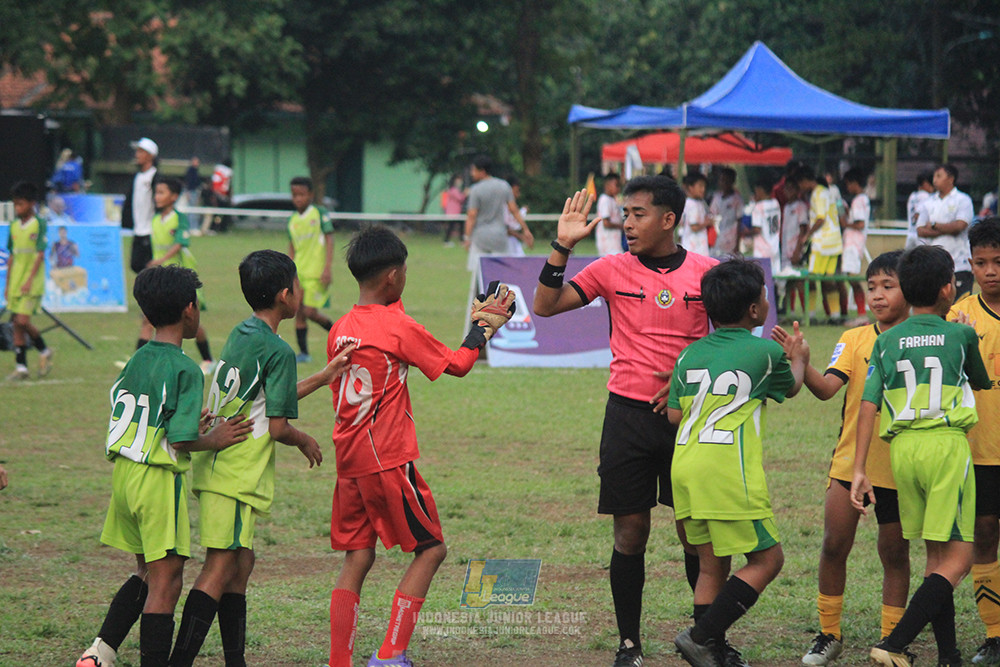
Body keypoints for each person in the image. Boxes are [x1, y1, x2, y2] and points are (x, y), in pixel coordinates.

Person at [533, 178, 717, 667]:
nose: (626, 223)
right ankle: (629, 644)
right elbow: (544, 307)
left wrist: (689, 382)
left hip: (689, 420)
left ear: (669, 219)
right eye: (624, 213)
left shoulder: (708, 273)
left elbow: (739, 335)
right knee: (630, 533)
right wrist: (562, 246)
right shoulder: (610, 269)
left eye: (637, 214)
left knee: (693, 534)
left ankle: (707, 638)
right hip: (627, 418)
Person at [325, 225, 514, 667]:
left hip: (349, 460)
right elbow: (459, 365)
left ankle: (339, 661)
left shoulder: (341, 327)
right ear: (393, 276)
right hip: (387, 460)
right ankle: (390, 655)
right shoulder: (399, 327)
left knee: (358, 556)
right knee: (431, 549)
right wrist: (482, 327)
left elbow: (386, 329)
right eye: (404, 271)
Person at [166, 250, 355, 667]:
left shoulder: (243, 333)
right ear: (286, 296)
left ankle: (236, 660)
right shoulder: (279, 351)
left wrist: (323, 377)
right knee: (219, 568)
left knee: (242, 561)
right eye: (298, 287)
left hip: (219, 466)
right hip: (235, 470)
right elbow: (277, 426)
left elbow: (267, 399)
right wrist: (303, 439)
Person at [75, 265, 253, 667]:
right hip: (157, 481)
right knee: (167, 581)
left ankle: (99, 653)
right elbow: (180, 439)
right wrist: (214, 439)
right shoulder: (186, 367)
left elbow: (150, 414)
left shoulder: (137, 359)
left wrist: (189, 424)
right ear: (190, 310)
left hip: (124, 476)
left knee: (145, 569)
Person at [852, 245, 992, 667]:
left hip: (903, 451)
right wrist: (966, 331)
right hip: (945, 446)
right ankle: (894, 642)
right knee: (961, 557)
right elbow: (981, 382)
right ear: (949, 288)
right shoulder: (962, 332)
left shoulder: (886, 339)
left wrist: (859, 468)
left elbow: (868, 403)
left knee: (936, 557)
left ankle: (948, 655)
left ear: (906, 291)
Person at [669, 257, 808, 667]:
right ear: (754, 310)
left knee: (712, 565)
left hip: (686, 465)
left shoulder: (689, 354)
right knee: (769, 560)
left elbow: (676, 415)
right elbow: (793, 386)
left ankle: (710, 652)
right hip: (727, 470)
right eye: (764, 296)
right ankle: (699, 637)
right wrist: (797, 356)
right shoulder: (765, 351)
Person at [777, 251, 911, 666]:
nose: (877, 295)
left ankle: (892, 639)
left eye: (888, 286)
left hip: (899, 465)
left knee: (894, 553)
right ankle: (828, 635)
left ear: (911, 289)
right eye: (871, 287)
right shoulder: (854, 339)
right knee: (834, 545)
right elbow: (826, 389)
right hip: (849, 462)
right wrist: (802, 360)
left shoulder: (924, 338)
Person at [948, 217, 1000, 665]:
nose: (991, 271)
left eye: (999, 262)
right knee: (985, 533)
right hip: (980, 450)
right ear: (970, 264)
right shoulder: (959, 316)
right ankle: (994, 633)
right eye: (981, 263)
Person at [137, 176, 216, 374]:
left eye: (161, 192)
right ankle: (139, 362)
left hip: (181, 279)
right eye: (156, 192)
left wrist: (160, 261)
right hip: (162, 280)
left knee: (189, 322)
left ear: (173, 197)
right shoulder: (155, 220)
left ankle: (208, 358)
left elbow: (180, 243)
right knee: (148, 319)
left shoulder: (179, 218)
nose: (157, 196)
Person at [4, 181, 53, 381]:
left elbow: (40, 254)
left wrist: (29, 280)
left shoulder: (39, 224)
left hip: (31, 283)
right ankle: (21, 366)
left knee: (22, 321)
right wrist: (7, 285)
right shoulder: (14, 225)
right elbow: (12, 256)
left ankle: (43, 349)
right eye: (15, 204)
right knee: (17, 324)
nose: (18, 208)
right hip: (15, 282)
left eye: (21, 204)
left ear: (32, 203)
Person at [287, 175, 335, 363]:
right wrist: (288, 271)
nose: (298, 198)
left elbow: (330, 239)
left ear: (311, 195)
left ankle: (336, 332)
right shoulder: (292, 220)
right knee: (298, 312)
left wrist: (327, 268)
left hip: (316, 273)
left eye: (302, 194)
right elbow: (291, 246)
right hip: (299, 273)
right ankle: (304, 353)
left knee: (310, 312)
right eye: (294, 195)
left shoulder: (319, 213)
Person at [916, 163, 976, 301]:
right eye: (934, 176)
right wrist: (946, 228)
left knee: (959, 306)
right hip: (934, 264)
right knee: (936, 307)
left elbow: (960, 226)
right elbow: (920, 230)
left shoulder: (963, 200)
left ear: (951, 178)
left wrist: (933, 225)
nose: (934, 180)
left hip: (959, 263)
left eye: (939, 176)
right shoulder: (928, 202)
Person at [464, 154, 532, 270]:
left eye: (474, 170)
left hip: (480, 235)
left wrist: (467, 237)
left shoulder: (475, 189)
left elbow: (472, 215)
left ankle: (479, 289)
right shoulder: (504, 186)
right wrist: (525, 229)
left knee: (478, 271)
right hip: (499, 235)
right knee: (500, 270)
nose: (472, 173)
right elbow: (514, 210)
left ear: (482, 171)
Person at [796, 167, 846, 322]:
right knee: (829, 279)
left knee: (811, 278)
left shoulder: (818, 193)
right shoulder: (829, 191)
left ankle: (810, 316)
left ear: (805, 181)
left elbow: (820, 218)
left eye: (800, 184)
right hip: (835, 241)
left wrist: (807, 235)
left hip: (822, 243)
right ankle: (835, 316)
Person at [125, 138, 158, 276]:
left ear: (150, 155)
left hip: (150, 230)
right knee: (136, 265)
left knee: (150, 268)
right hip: (138, 229)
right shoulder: (137, 177)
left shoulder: (155, 176)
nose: (137, 155)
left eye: (141, 151)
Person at [842, 168, 871, 324]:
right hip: (856, 243)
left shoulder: (858, 200)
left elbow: (859, 223)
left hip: (853, 244)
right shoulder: (863, 199)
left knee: (853, 278)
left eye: (848, 184)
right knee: (851, 278)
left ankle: (862, 314)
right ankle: (860, 313)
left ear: (854, 183)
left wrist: (845, 223)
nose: (847, 188)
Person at [781, 178, 809, 314]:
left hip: (796, 250)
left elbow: (803, 228)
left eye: (791, 188)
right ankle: (789, 311)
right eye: (786, 188)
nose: (788, 191)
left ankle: (807, 313)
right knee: (788, 282)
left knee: (799, 282)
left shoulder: (801, 206)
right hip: (786, 250)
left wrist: (798, 250)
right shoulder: (786, 207)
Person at [748, 176, 782, 272]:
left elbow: (757, 229)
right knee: (775, 276)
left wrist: (746, 233)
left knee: (762, 277)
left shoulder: (758, 207)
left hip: (762, 251)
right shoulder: (776, 203)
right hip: (774, 247)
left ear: (760, 190)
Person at [708, 167, 743, 258]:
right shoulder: (717, 197)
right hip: (717, 238)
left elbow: (739, 222)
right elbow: (711, 216)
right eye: (722, 180)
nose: (724, 183)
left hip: (730, 239)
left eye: (727, 180)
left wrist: (737, 244)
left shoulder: (737, 199)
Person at [680, 172, 711, 257]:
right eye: (700, 186)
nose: (703, 189)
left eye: (704, 186)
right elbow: (694, 227)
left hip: (697, 247)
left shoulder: (699, 202)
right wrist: (707, 223)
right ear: (691, 187)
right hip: (694, 247)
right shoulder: (692, 204)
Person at [595, 173, 625, 257]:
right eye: (617, 185)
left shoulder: (612, 200)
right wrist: (622, 226)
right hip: (608, 243)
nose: (619, 189)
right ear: (607, 185)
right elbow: (606, 223)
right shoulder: (605, 200)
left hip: (615, 242)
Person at [905, 172, 934, 251]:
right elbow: (918, 215)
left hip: (911, 233)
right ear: (925, 183)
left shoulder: (912, 195)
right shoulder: (927, 197)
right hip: (921, 237)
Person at [504, 176, 529, 256]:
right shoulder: (501, 206)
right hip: (504, 243)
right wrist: (522, 236)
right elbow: (505, 229)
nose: (518, 195)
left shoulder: (511, 207)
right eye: (516, 191)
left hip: (512, 242)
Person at [441, 173, 466, 246]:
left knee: (458, 225)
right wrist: (465, 193)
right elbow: (460, 198)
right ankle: (447, 241)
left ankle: (460, 240)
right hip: (453, 212)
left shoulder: (454, 190)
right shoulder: (453, 190)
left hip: (455, 212)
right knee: (452, 226)